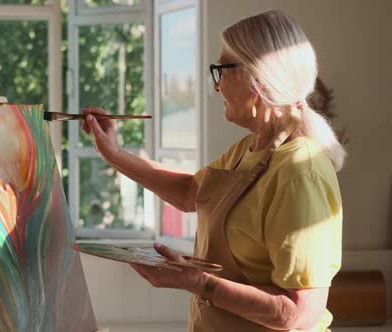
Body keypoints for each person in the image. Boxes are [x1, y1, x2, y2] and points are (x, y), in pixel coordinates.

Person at [80, 9, 345, 332]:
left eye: (221, 69)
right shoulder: (249, 149)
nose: (216, 86)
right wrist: (114, 154)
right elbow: (190, 192)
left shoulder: (300, 170)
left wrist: (199, 283)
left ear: (257, 78)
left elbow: (299, 314)